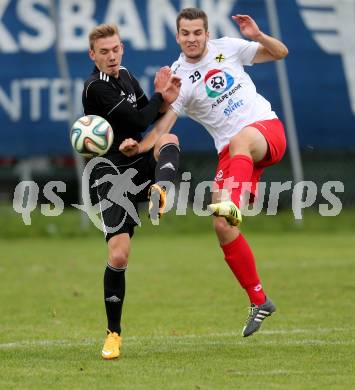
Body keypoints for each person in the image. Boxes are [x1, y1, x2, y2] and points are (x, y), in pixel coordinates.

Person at [120, 8, 288, 337]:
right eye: (186, 33)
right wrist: (138, 148)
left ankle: (234, 199)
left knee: (240, 144)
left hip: (264, 130)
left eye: (198, 32)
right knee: (222, 226)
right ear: (178, 36)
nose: (192, 38)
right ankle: (258, 299)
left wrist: (258, 36)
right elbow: (163, 125)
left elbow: (280, 53)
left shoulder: (229, 47)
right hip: (232, 154)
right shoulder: (179, 78)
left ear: (207, 34)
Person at [82, 23, 181, 359]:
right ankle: (113, 334)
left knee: (168, 138)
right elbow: (140, 121)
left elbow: (150, 117)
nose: (111, 56)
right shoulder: (95, 87)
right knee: (119, 255)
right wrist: (158, 98)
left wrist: (166, 100)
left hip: (136, 159)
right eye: (104, 52)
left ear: (122, 48)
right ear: (92, 55)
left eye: (115, 49)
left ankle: (160, 191)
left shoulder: (125, 75)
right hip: (111, 174)